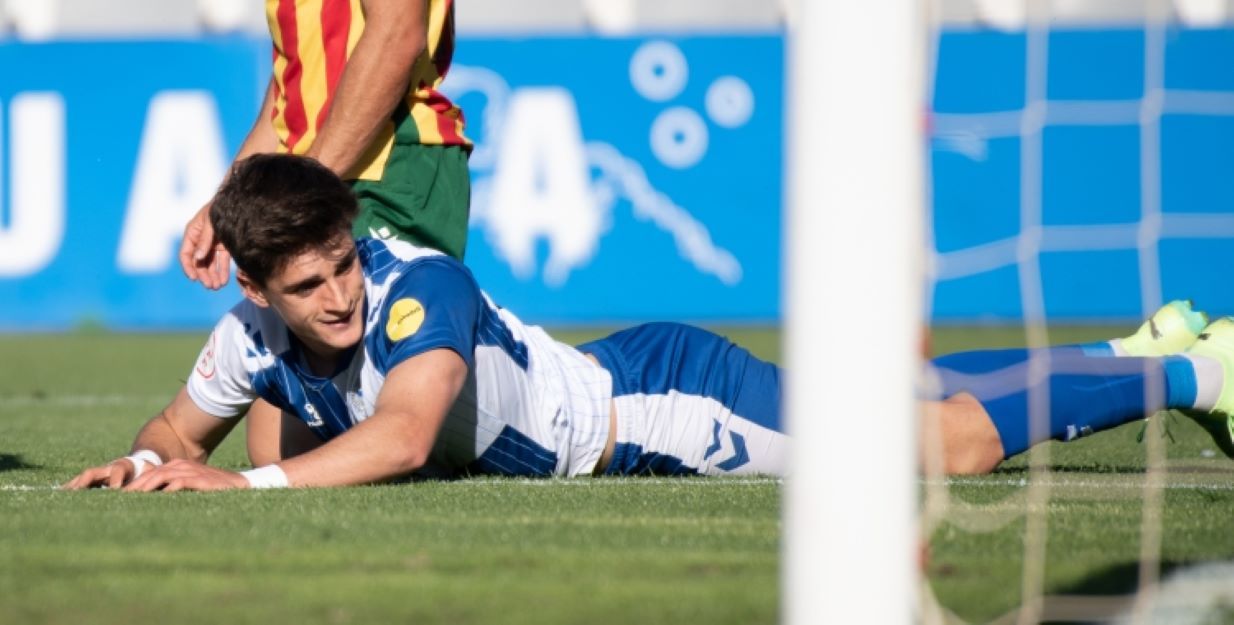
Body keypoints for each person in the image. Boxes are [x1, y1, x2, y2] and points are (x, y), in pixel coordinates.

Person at [64, 155, 1234, 491]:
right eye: (309, 283)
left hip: (657, 409)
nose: (339, 293)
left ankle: (1200, 375)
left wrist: (241, 486)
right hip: (631, 372)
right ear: (255, 291)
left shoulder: (417, 285)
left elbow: (411, 435)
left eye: (339, 264)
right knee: (909, 405)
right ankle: (1136, 347)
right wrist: (142, 464)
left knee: (952, 450)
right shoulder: (251, 341)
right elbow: (178, 428)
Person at [179, 0, 471, 292]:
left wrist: (303, 187)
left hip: (387, 167)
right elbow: (297, 81)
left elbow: (398, 34)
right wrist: (233, 198)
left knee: (396, 328)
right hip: (322, 173)